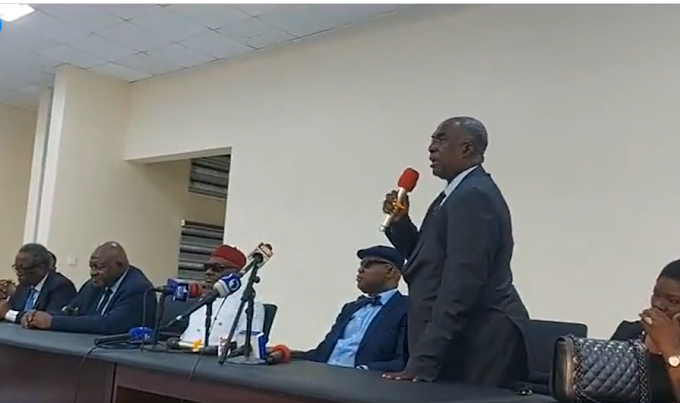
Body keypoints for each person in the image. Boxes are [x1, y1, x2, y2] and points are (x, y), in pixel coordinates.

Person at [381, 117, 530, 386]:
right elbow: (427, 260)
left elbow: (462, 283)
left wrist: (426, 358)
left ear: (467, 149)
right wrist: (401, 222)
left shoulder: (474, 195)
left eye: (441, 139)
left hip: (480, 338)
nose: (431, 148)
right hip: (461, 334)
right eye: (432, 140)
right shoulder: (453, 194)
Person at [296, 245, 409, 372]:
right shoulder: (351, 308)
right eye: (360, 265)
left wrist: (363, 371)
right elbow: (321, 354)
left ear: (389, 271)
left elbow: (404, 362)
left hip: (360, 385)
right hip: (325, 378)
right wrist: (285, 354)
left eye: (367, 265)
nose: (360, 270)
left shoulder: (407, 309)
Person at [21, 241, 157, 335]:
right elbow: (71, 311)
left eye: (100, 267)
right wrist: (36, 317)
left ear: (120, 265)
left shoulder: (138, 289)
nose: (93, 272)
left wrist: (53, 322)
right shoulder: (94, 284)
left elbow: (109, 324)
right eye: (91, 267)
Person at [612, 259, 680, 403]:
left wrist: (670, 349)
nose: (658, 304)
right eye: (656, 295)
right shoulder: (630, 332)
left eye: (673, 301)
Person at [173, 245, 265, 347]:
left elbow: (248, 346)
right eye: (207, 267)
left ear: (235, 273)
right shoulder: (203, 300)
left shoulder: (250, 305)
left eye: (217, 268)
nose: (208, 272)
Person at [0, 243, 76, 324]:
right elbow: (7, 309)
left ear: (41, 267)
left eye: (23, 268)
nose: (18, 273)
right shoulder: (23, 286)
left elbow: (48, 319)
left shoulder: (61, 287)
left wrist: (8, 314)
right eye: (16, 268)